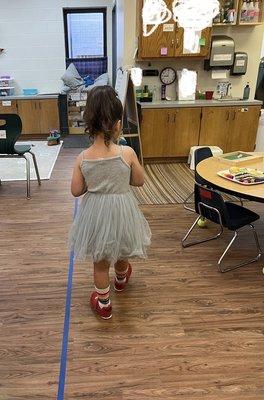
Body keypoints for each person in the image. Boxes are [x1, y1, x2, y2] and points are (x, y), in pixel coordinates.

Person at [69, 86, 151, 320]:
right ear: (117, 124)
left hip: (95, 214)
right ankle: (122, 280)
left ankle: (104, 304)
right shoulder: (127, 153)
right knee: (123, 248)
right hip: (123, 212)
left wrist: (90, 182)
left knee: (101, 262)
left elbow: (75, 190)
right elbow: (139, 181)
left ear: (89, 124)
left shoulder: (82, 158)